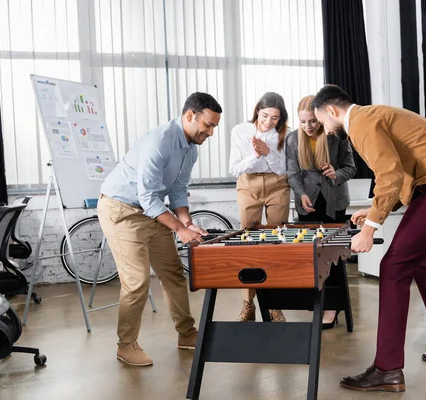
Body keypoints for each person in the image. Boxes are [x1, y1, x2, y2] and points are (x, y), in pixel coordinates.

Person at [311, 84, 426, 392]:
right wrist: (374, 210)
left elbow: (389, 174)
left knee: (394, 266)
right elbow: (403, 172)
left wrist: (369, 230)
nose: (322, 128)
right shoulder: (376, 116)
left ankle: (387, 369)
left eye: (321, 121)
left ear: (331, 111)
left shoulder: (360, 122)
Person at [97, 92, 222, 367]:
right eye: (208, 125)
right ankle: (125, 345)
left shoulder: (191, 148)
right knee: (137, 281)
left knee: (173, 274)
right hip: (122, 211)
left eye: (214, 127)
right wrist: (179, 229)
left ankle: (186, 333)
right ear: (190, 116)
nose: (211, 132)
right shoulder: (160, 141)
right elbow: (147, 197)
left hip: (152, 212)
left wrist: (188, 224)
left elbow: (177, 190)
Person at [285, 94, 356, 329]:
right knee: (311, 255)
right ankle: (317, 300)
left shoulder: (336, 134)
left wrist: (336, 174)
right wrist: (301, 194)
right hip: (308, 202)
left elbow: (351, 167)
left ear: (319, 117)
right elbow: (293, 174)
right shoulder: (293, 139)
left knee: (333, 255)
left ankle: (332, 307)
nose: (307, 126)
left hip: (334, 200)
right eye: (303, 122)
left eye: (312, 121)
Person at [229, 92, 291, 323]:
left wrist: (268, 152)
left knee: (275, 244)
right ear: (257, 110)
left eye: (275, 117)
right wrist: (256, 155)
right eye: (265, 115)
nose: (268, 121)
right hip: (248, 184)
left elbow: (285, 169)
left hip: (278, 186)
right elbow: (234, 169)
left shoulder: (286, 134)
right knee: (249, 244)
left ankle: (274, 305)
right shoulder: (240, 131)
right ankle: (248, 305)